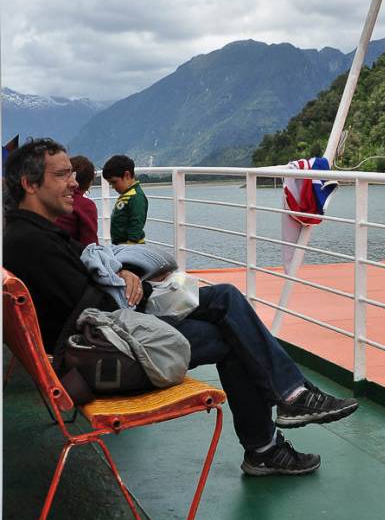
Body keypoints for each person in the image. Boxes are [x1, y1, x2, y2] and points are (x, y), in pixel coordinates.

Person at [3, 138, 359, 476]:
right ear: (30, 184)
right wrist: (136, 282)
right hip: (106, 356)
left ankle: (287, 407)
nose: (74, 182)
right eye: (62, 174)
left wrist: (124, 273)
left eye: (71, 173)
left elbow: (86, 291)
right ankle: (272, 436)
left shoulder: (27, 234)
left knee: (224, 297)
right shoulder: (31, 243)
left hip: (101, 341)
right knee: (230, 338)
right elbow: (92, 304)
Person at [102, 154, 148, 245]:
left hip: (132, 246)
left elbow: (137, 221)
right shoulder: (127, 194)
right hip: (121, 245)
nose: (113, 187)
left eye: (114, 182)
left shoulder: (136, 196)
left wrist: (131, 243)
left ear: (127, 175)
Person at [55, 155, 99, 247]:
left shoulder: (52, 199)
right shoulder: (85, 205)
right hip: (69, 255)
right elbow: (90, 244)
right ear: (89, 182)